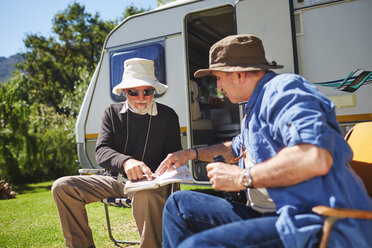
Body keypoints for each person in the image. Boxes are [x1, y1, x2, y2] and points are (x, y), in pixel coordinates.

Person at [156, 35, 372, 247]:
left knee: (196, 245)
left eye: (219, 78)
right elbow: (234, 148)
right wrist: (190, 154)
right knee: (178, 205)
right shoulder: (256, 105)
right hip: (270, 214)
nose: (219, 87)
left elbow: (314, 157)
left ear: (239, 75)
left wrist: (243, 178)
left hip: (313, 221)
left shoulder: (284, 90)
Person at [52, 58, 182, 248]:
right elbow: (101, 151)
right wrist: (126, 162)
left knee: (145, 195)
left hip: (152, 184)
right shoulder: (111, 113)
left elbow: (174, 157)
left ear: (154, 91)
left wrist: (156, 177)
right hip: (115, 182)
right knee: (62, 187)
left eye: (147, 91)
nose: (141, 97)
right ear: (123, 92)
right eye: (133, 91)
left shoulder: (168, 116)